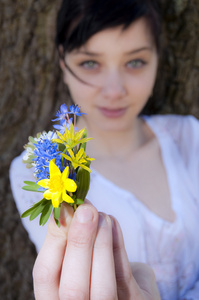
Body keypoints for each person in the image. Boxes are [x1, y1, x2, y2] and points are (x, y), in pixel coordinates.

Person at [9, 0, 199, 299]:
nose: (114, 90)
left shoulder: (189, 137)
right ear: (63, 61)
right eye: (90, 63)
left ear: (157, 59)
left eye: (134, 62)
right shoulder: (36, 170)